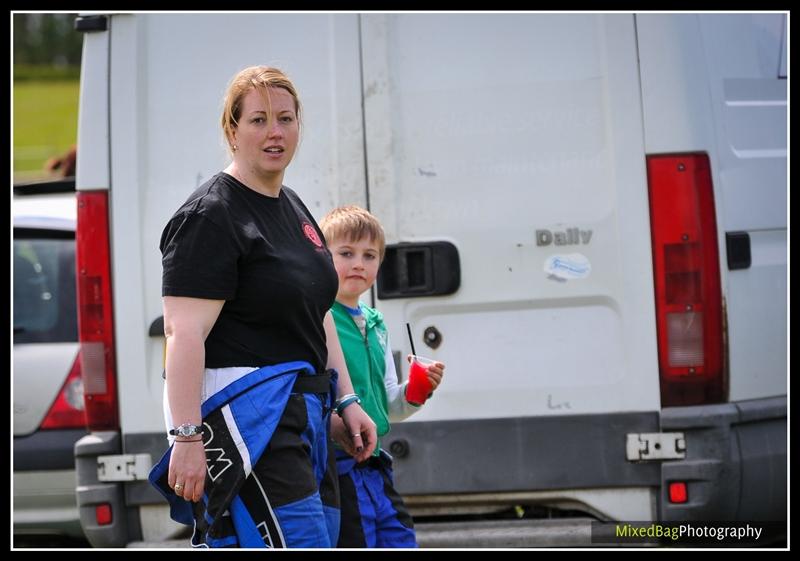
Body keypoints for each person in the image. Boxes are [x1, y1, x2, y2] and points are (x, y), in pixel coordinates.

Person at [147, 66, 377, 549]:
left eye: (286, 118)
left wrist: (347, 401)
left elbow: (316, 314)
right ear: (232, 131)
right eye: (258, 120)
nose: (275, 132)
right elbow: (183, 334)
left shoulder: (291, 205)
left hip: (306, 418)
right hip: (250, 423)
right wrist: (187, 440)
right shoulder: (210, 216)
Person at [319, 205, 446, 548]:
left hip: (375, 463)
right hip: (337, 464)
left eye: (369, 255)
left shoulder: (376, 323)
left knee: (400, 537)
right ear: (321, 258)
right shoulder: (318, 317)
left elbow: (389, 405)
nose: (359, 263)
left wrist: (417, 392)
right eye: (346, 253)